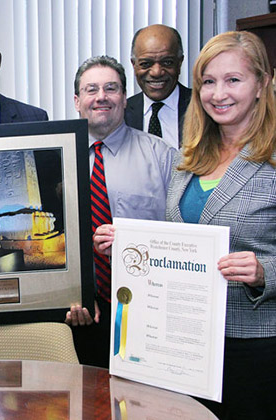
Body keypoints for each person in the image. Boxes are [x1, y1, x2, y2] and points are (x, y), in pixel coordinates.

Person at [95, 31, 276, 419]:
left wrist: (264, 271)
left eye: (233, 80)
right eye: (208, 82)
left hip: (254, 348)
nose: (218, 93)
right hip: (184, 345)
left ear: (262, 83)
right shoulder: (190, 157)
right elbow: (177, 241)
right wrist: (131, 241)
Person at [66, 56, 176, 368]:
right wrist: (73, 295)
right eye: (91, 89)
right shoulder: (57, 159)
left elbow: (181, 234)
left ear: (125, 98)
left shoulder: (161, 156)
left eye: (111, 88)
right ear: (77, 101)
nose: (101, 96)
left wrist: (131, 241)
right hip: (81, 314)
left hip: (147, 309)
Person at [125, 24, 191, 148]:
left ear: (179, 63)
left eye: (167, 62)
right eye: (146, 64)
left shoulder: (203, 107)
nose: (156, 72)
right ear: (134, 65)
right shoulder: (121, 114)